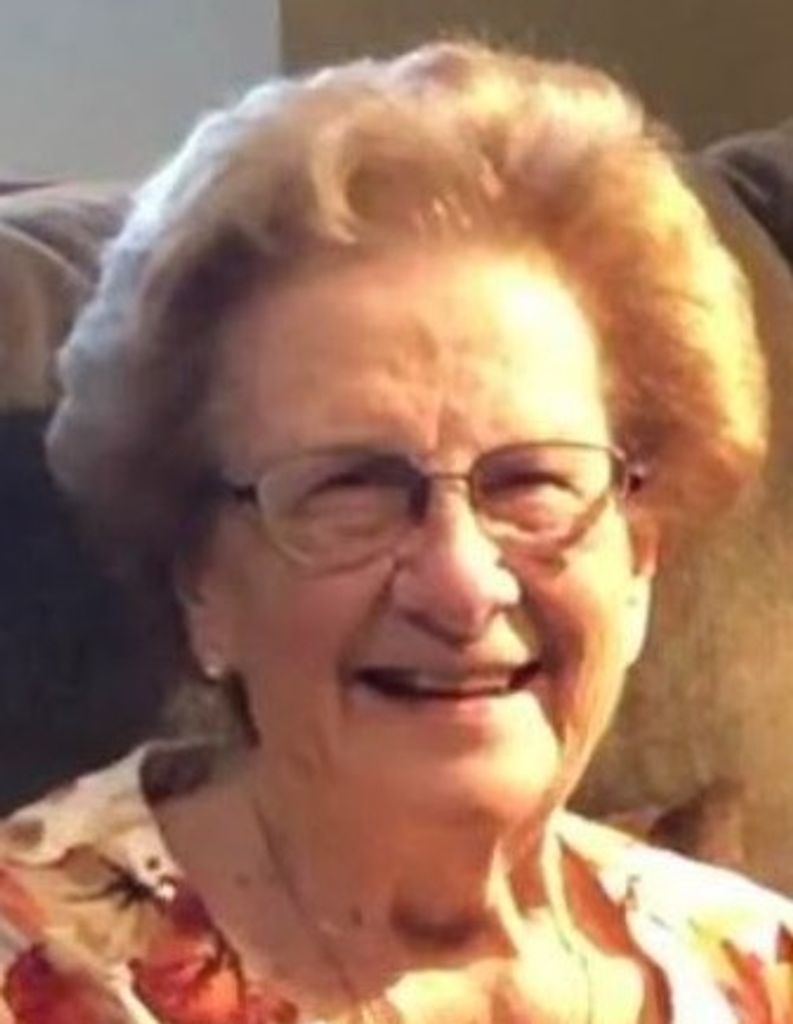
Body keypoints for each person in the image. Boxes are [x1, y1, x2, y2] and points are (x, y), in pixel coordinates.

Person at [0, 39, 790, 1024]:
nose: (461, 582)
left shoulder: (757, 961)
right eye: (350, 488)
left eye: (532, 480)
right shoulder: (39, 972)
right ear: (200, 579)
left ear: (638, 558)